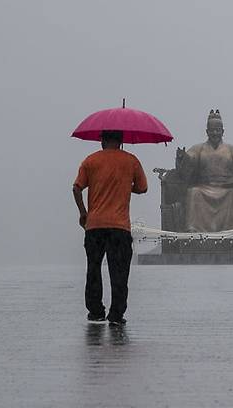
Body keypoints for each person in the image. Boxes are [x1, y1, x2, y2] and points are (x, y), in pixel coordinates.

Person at [72, 130, 148, 325]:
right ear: (121, 141)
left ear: (102, 141)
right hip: (119, 227)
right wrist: (124, 184)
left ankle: (96, 311)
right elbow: (142, 188)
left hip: (94, 225)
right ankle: (116, 314)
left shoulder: (90, 161)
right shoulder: (131, 161)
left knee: (94, 268)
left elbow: (77, 188)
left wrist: (83, 213)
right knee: (119, 271)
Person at [175, 109, 233, 232]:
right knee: (194, 192)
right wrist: (182, 159)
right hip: (204, 187)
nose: (215, 133)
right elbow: (186, 169)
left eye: (218, 130)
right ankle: (194, 229)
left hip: (228, 188)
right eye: (212, 130)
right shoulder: (197, 149)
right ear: (207, 131)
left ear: (223, 131)